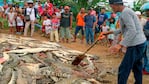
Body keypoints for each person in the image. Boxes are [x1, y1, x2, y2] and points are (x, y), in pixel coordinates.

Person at [100, 0, 147, 84]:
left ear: (116, 5)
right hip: (140, 43)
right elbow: (124, 29)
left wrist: (120, 45)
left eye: (111, 6)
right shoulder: (126, 11)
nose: (111, 8)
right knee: (137, 67)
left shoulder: (125, 13)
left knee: (124, 68)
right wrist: (109, 32)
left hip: (135, 45)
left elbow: (132, 31)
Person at [143, 9, 149, 75]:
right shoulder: (147, 20)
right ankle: (145, 68)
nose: (147, 12)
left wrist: (144, 30)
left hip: (148, 39)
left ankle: (147, 69)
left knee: (147, 55)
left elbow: (147, 32)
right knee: (144, 55)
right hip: (146, 39)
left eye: (147, 11)